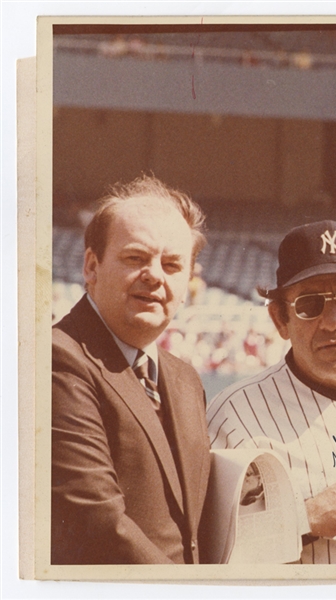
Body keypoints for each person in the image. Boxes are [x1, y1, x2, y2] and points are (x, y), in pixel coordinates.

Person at [206, 220, 336, 564]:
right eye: (309, 304)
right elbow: (206, 550)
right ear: (280, 319)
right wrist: (304, 519)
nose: (333, 321)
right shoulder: (233, 415)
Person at [51, 175, 211, 564]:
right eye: (136, 258)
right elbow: (99, 521)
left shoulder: (184, 378)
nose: (155, 275)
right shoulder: (58, 359)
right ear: (92, 265)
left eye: (172, 264)